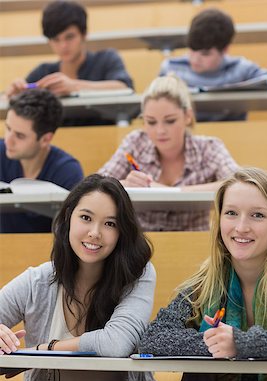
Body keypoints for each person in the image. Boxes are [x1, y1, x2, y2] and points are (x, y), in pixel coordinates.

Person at [140, 167, 267, 381]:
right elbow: (153, 338)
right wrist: (217, 343)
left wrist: (243, 344)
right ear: (219, 220)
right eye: (231, 213)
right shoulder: (205, 281)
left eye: (257, 215)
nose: (241, 227)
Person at [0, 174, 162, 381]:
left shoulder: (138, 274)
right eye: (86, 218)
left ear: (121, 232)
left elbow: (115, 344)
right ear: (68, 218)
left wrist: (43, 350)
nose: (95, 232)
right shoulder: (38, 281)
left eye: (110, 224)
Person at [98, 74, 239, 231]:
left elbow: (239, 185)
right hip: (139, 245)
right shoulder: (135, 142)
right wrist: (121, 186)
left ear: (187, 116)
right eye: (151, 122)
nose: (160, 131)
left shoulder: (209, 147)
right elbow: (95, 186)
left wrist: (171, 192)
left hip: (194, 243)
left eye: (170, 121)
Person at [5, 0, 134, 126]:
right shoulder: (43, 71)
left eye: (70, 37)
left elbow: (124, 87)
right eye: (56, 39)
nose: (63, 46)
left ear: (84, 34)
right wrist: (13, 95)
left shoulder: (106, 59)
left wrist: (74, 86)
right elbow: (11, 99)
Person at [159, 9, 267, 121]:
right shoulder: (172, 68)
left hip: (233, 137)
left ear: (225, 50)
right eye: (192, 50)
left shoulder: (240, 68)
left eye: (205, 54)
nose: (195, 59)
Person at [0, 88, 84, 233]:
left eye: (20, 136)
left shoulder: (67, 171)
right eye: (8, 128)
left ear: (46, 139)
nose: (8, 140)